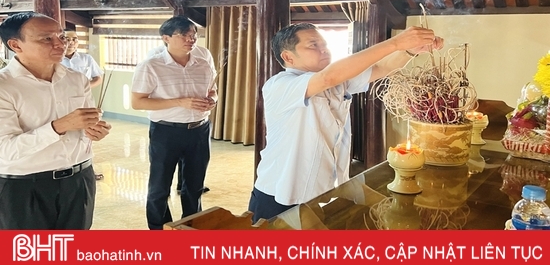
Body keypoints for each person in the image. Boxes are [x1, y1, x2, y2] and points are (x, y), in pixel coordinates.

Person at [248, 23, 444, 223]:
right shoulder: (280, 84)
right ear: (288, 57)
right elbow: (328, 77)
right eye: (313, 45)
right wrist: (395, 43)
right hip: (279, 194)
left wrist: (410, 51)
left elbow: (381, 67)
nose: (324, 49)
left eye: (324, 44)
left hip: (317, 193)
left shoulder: (336, 82)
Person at [0, 12, 111, 229]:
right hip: (25, 187)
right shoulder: (5, 86)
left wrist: (96, 129)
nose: (61, 44)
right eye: (46, 39)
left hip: (79, 180)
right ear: (16, 45)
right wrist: (59, 127)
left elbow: (85, 124)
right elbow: (5, 149)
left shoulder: (76, 79)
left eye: (61, 36)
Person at [131, 16, 217, 230]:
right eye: (185, 35)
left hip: (199, 129)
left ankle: (191, 226)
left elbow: (212, 91)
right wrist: (180, 102)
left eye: (194, 35)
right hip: (166, 131)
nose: (192, 39)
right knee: (160, 187)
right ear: (166, 38)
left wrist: (212, 101)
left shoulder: (203, 63)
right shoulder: (151, 65)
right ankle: (159, 230)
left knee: (194, 186)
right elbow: (137, 102)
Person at [62, 28, 105, 181]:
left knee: (88, 136)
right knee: (66, 136)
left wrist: (82, 89)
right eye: (67, 39)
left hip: (83, 103)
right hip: (63, 104)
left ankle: (87, 170)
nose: (71, 42)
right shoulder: (56, 60)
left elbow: (98, 78)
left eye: (74, 39)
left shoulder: (86, 59)